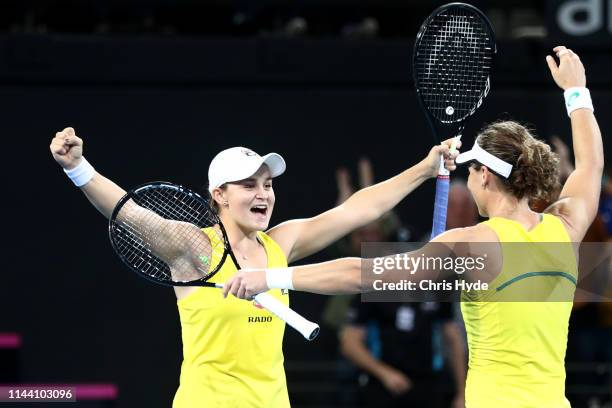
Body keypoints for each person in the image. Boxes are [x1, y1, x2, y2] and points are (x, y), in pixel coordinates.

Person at [224, 46, 603, 407]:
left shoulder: (471, 244)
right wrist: (576, 91)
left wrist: (271, 277)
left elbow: (362, 274)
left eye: (470, 173)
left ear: (484, 175)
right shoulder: (565, 227)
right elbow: (589, 166)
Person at [50, 130, 457, 407]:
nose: (263, 193)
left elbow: (358, 209)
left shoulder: (280, 242)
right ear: (219, 195)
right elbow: (128, 213)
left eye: (268, 184)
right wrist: (76, 167)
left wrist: (425, 167)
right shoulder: (194, 247)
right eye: (249, 185)